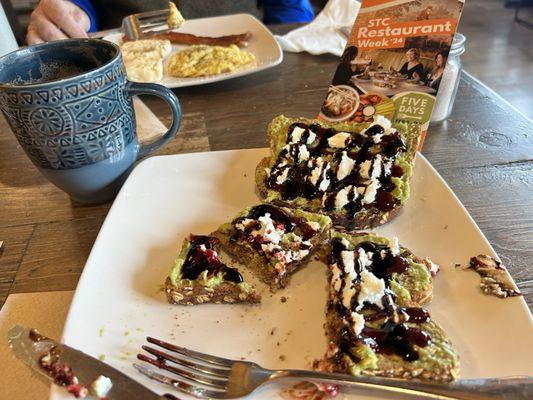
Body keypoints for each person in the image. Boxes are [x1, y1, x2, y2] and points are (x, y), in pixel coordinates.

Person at [26, 0, 314, 44]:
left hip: (254, 67)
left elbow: (289, 9)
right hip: (129, 90)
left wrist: (288, 37)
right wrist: (71, 10)